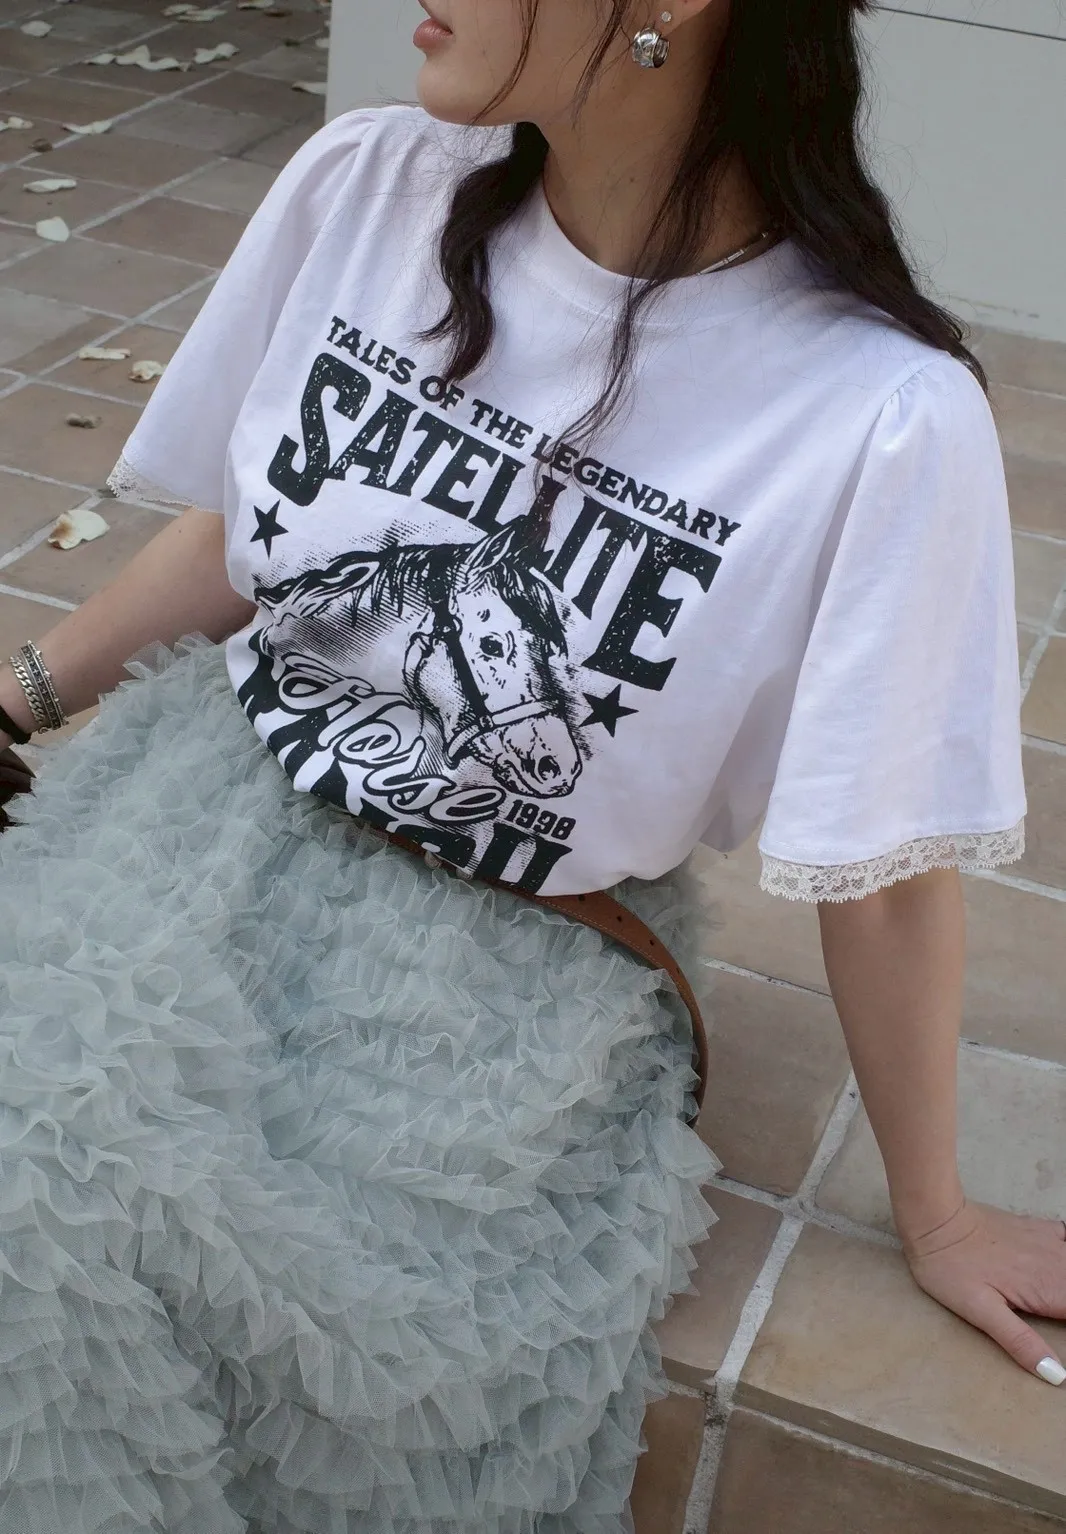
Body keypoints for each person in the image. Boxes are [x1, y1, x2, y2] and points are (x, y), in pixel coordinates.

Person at [0, 0, 1063, 1527]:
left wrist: (938, 1212)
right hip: (190, 805)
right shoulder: (368, 184)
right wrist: (19, 697)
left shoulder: (877, 415)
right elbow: (255, 539)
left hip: (487, 969)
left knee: (60, 1223)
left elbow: (887, 870)